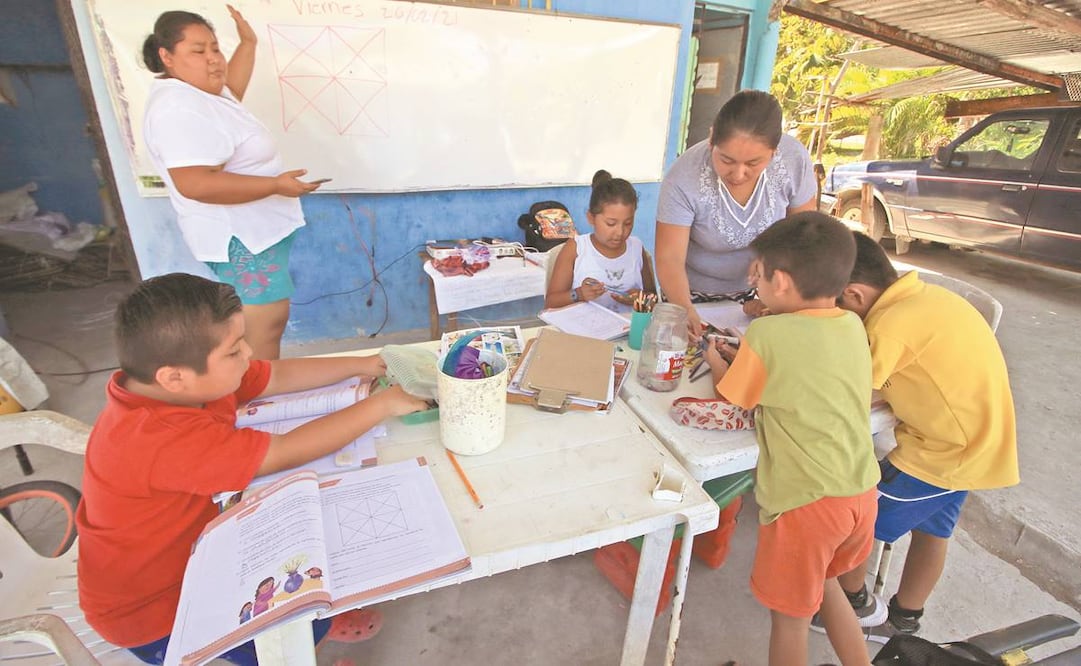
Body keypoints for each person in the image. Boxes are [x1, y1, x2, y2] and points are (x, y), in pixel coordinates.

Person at [76, 273, 428, 665]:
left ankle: (318, 625)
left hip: (198, 546)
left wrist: (366, 363)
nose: (247, 354)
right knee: (278, 642)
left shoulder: (182, 384)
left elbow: (272, 375)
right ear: (174, 377)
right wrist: (381, 405)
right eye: (233, 351)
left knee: (313, 564)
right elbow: (284, 451)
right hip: (157, 609)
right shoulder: (157, 438)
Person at [702, 212, 880, 666]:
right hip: (859, 492)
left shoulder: (767, 332)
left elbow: (733, 395)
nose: (752, 279)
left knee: (790, 620)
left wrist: (715, 357)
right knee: (826, 585)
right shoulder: (852, 325)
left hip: (808, 504)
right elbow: (810, 375)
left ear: (780, 281)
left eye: (756, 272)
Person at [823, 232, 1019, 642]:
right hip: (974, 445)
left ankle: (851, 604)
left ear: (854, 296)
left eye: (832, 305)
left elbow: (846, 392)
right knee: (933, 530)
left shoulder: (889, 326)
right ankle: (905, 620)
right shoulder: (922, 298)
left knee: (857, 519)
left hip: (940, 454)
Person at [141, 7, 324, 360]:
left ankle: (258, 389)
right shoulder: (178, 108)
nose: (213, 60)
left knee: (264, 324)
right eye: (198, 51)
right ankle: (255, 397)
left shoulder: (203, 94)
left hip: (256, 233)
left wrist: (248, 43)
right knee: (262, 327)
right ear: (167, 56)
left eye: (215, 49)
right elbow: (195, 184)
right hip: (241, 236)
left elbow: (232, 89)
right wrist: (274, 186)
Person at [655, 90, 818, 336]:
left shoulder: (794, 160)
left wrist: (771, 261)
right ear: (712, 140)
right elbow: (669, 258)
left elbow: (804, 233)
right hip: (689, 295)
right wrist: (683, 309)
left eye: (753, 163)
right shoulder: (683, 178)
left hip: (761, 296)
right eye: (727, 160)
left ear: (774, 152)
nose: (739, 174)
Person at [545, 169, 656, 313]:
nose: (620, 232)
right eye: (611, 224)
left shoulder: (636, 248)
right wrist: (579, 294)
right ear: (591, 218)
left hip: (627, 330)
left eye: (628, 223)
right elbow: (550, 303)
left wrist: (640, 298)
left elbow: (653, 298)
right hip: (584, 331)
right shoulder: (576, 248)